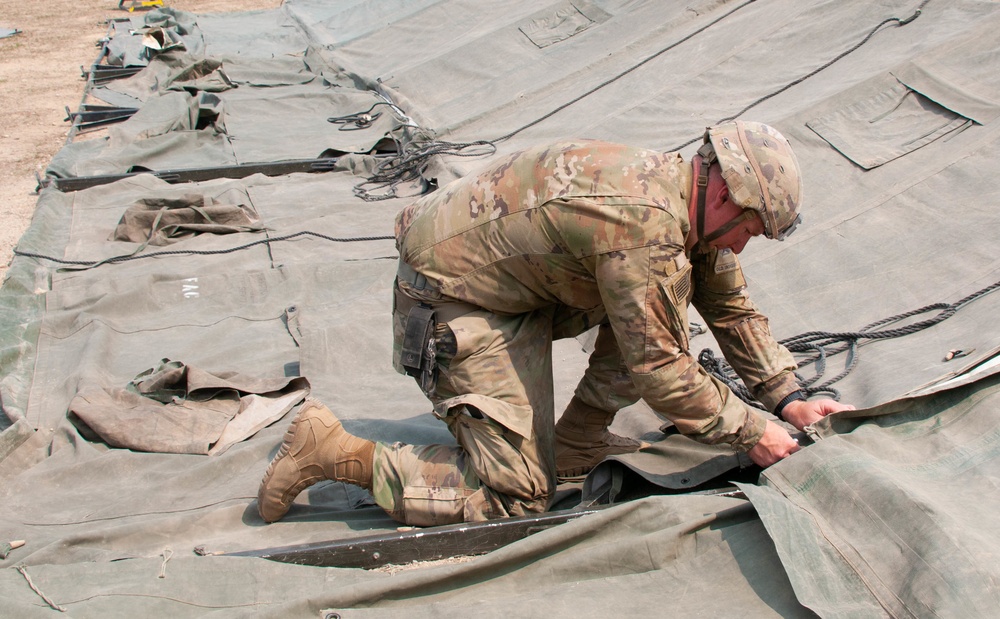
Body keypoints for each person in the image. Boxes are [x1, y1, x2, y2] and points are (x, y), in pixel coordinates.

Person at [257, 120, 854, 526]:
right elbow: (661, 370)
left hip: (508, 285)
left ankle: (575, 443)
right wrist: (753, 432)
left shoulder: (680, 195)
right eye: (750, 230)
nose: (744, 248)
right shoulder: (643, 223)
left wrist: (789, 396)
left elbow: (728, 305)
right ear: (725, 193)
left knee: (660, 310)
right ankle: (330, 451)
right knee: (517, 498)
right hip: (450, 297)